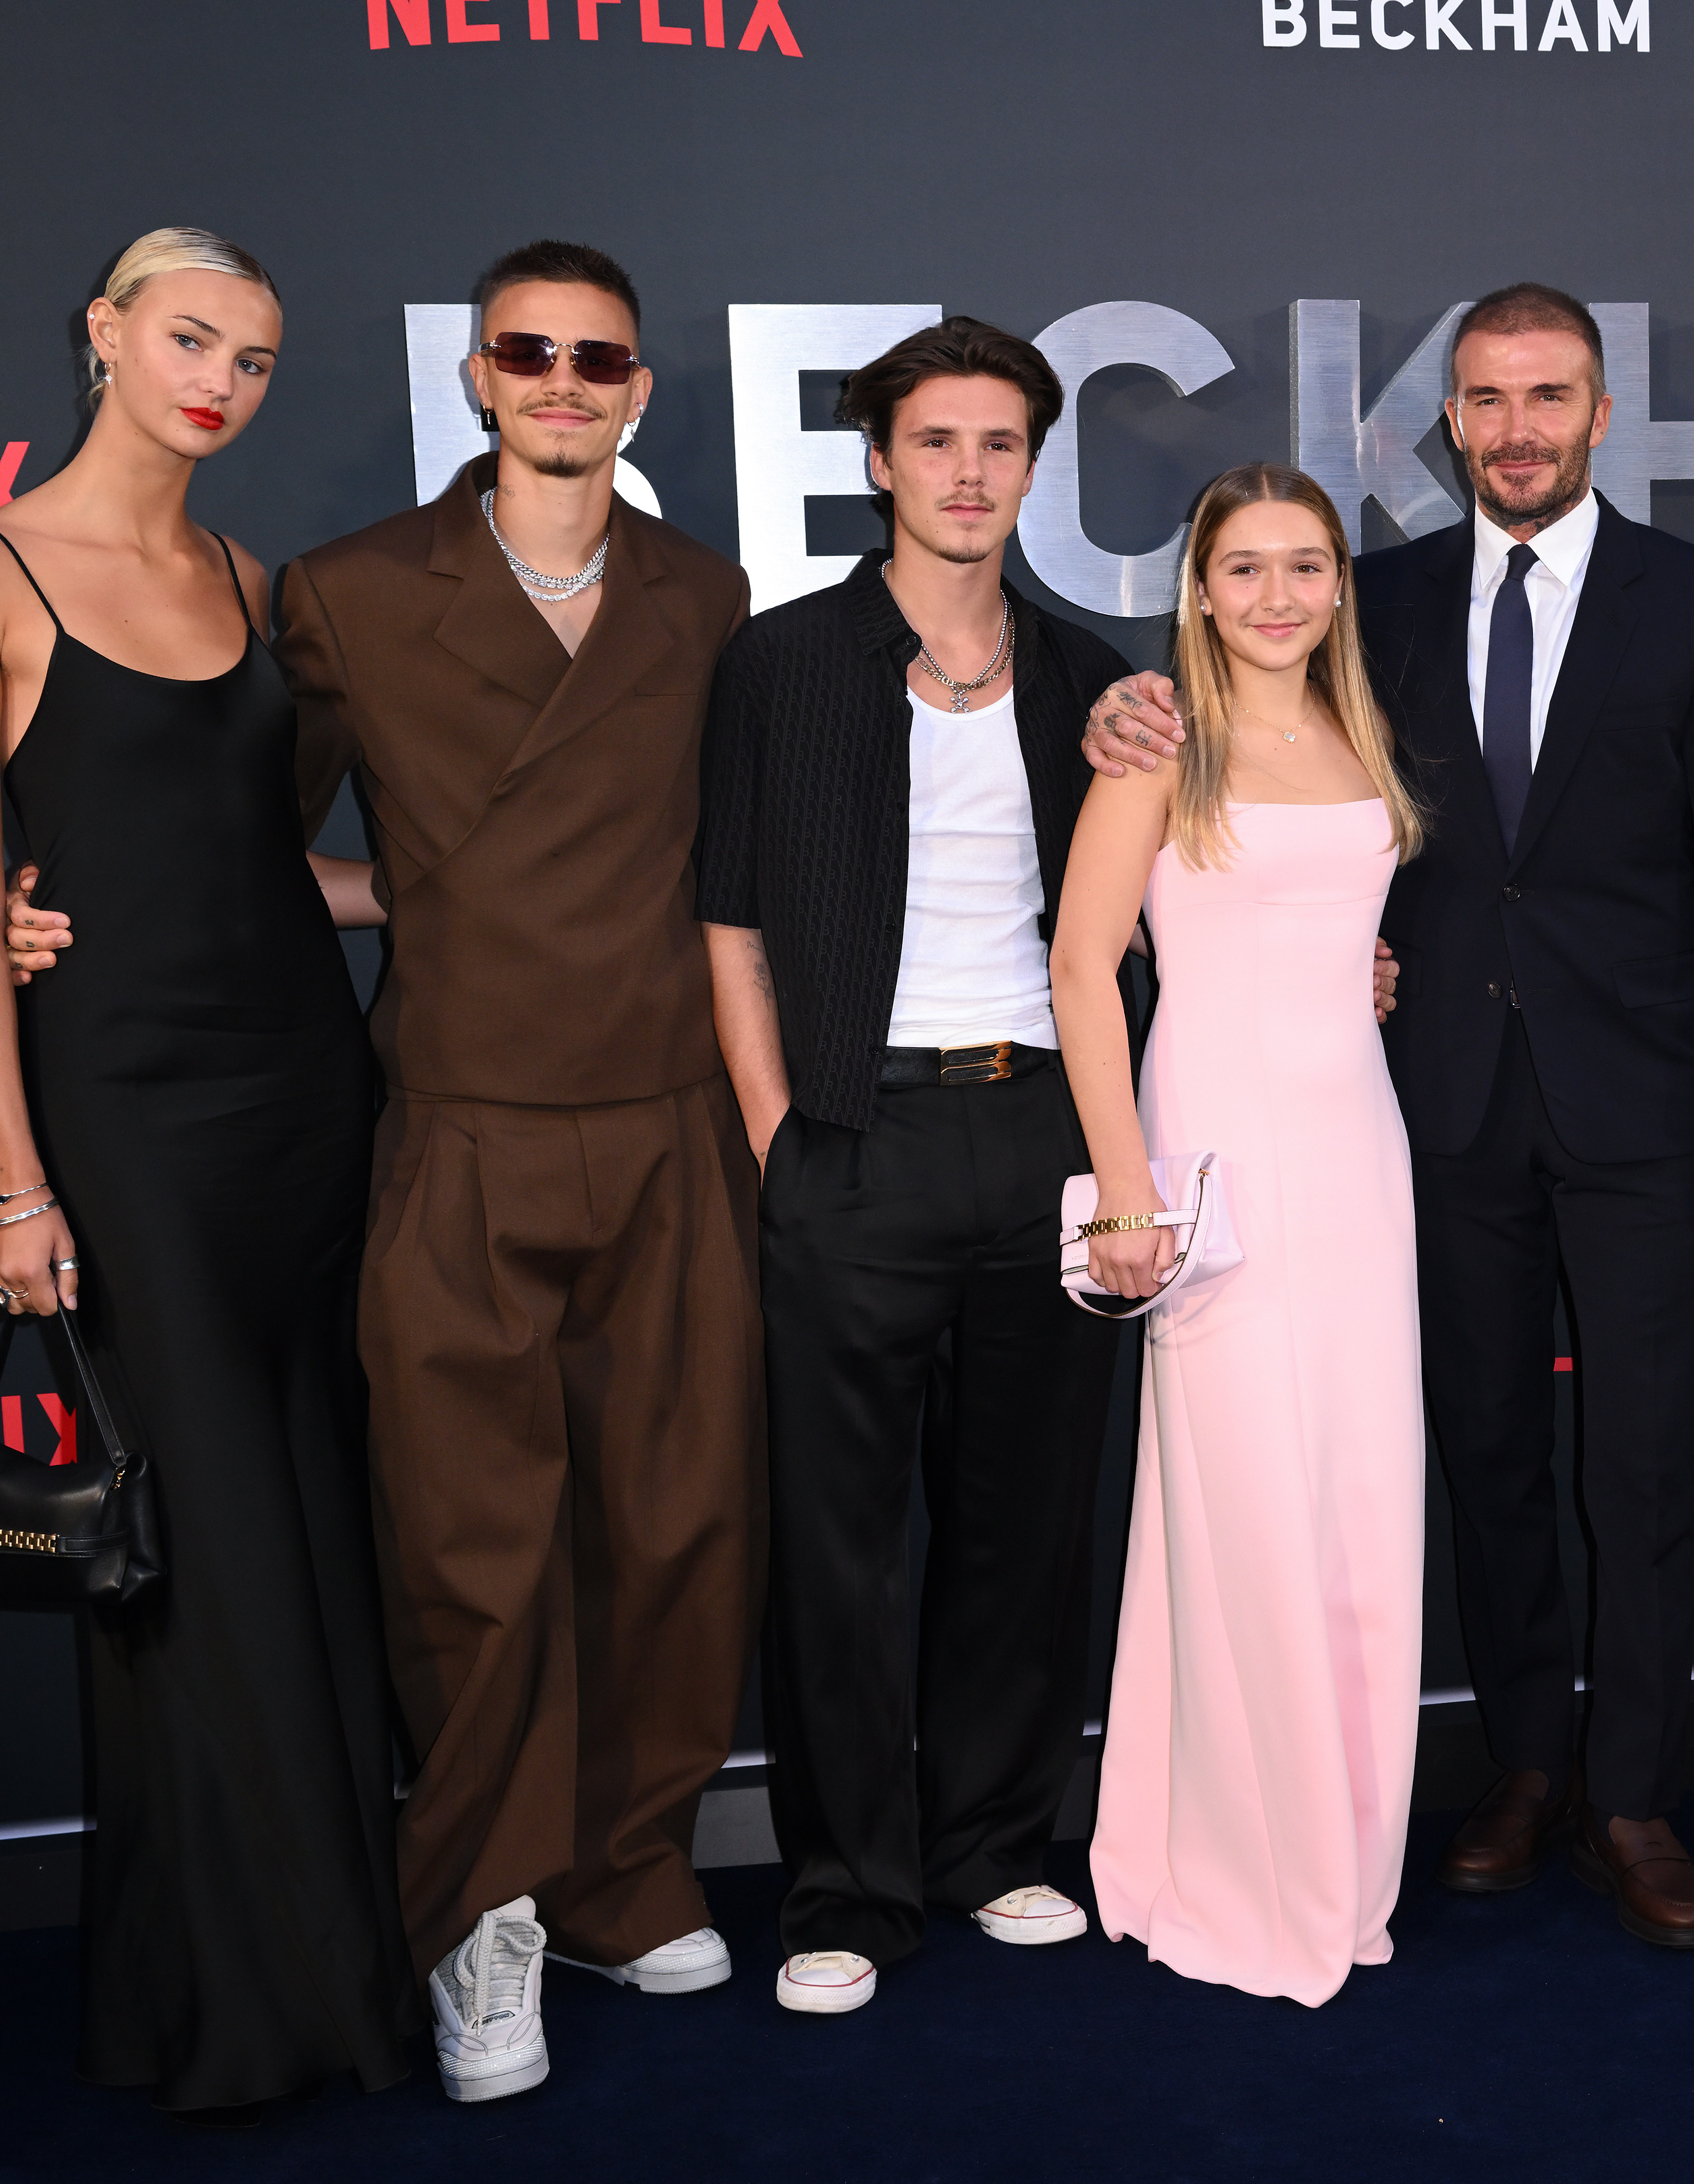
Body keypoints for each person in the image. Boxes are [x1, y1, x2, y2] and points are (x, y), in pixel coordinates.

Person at [14, 240, 767, 2100]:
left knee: (675, 1528)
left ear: (639, 389)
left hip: (669, 1121)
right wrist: (57, 905)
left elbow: (754, 849)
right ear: (480, 377)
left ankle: (623, 1872)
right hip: (457, 1124)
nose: (565, 381)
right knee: (473, 1551)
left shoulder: (705, 592)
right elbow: (242, 842)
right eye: (531, 351)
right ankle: (481, 1907)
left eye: (600, 357)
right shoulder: (348, 594)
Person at [1087, 283, 1694, 1951]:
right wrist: (1114, 708)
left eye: (1549, 397)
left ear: (1601, 413)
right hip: (1434, 1111)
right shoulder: (1378, 601)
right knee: (1485, 1453)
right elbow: (1257, 746)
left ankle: (1634, 1794)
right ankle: (1528, 1765)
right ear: (1450, 422)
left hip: (1640, 1106)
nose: (1518, 429)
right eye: (1487, 400)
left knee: (1641, 1463)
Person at [0, 227, 413, 2118]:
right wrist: (13, 1181)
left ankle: (328, 1963)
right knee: (197, 1552)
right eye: (191, 339)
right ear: (105, 335)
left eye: (254, 360)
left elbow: (265, 867)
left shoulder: (251, 582)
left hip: (308, 1101)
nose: (221, 381)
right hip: (126, 1120)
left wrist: (475, 892)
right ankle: (241, 2003)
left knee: (315, 1524)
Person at [696, 318, 1131, 2019]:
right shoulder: (783, 663)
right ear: (879, 461)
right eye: (936, 441)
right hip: (852, 1140)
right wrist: (780, 1138)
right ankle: (845, 1887)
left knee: (1023, 1526)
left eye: (999, 443)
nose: (968, 473)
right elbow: (731, 923)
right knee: (841, 1546)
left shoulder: (1093, 678)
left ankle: (997, 1843)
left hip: (1042, 1138)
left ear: (1033, 466)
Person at [1055, 464, 1429, 2007]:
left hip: (1360, 1154)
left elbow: (1338, 936)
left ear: (1339, 583)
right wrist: (1125, 1191)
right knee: (1245, 1508)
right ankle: (1240, 1863)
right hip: (1212, 1158)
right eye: (1246, 568)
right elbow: (1082, 969)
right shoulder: (1160, 744)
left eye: (1306, 565)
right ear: (1199, 591)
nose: (1278, 595)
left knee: (1360, 1502)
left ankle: (1343, 1854)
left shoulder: (1362, 733)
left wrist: (1362, 974)